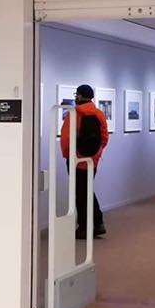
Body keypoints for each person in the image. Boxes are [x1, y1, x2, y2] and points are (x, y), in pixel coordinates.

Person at [60, 84, 110, 239]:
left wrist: (69, 155)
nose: (76, 97)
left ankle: (85, 227)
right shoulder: (99, 114)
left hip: (75, 159)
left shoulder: (74, 114)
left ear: (80, 96)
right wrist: (96, 154)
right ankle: (96, 223)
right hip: (91, 161)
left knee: (80, 194)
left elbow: (66, 139)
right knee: (86, 190)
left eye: (77, 94)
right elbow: (104, 138)